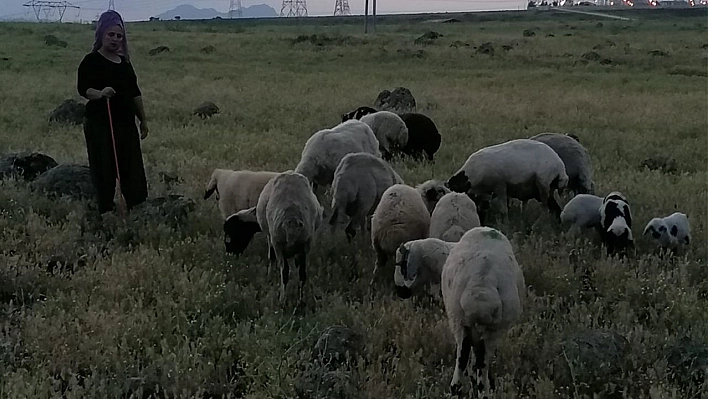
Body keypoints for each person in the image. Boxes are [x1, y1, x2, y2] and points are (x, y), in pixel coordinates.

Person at [77, 10, 149, 214]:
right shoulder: (90, 61)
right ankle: (106, 209)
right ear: (101, 34)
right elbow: (84, 89)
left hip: (126, 124)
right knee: (104, 168)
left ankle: (137, 207)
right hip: (100, 124)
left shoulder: (125, 64)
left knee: (132, 168)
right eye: (111, 34)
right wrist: (100, 93)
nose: (116, 39)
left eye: (119, 36)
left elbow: (135, 93)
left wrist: (143, 120)